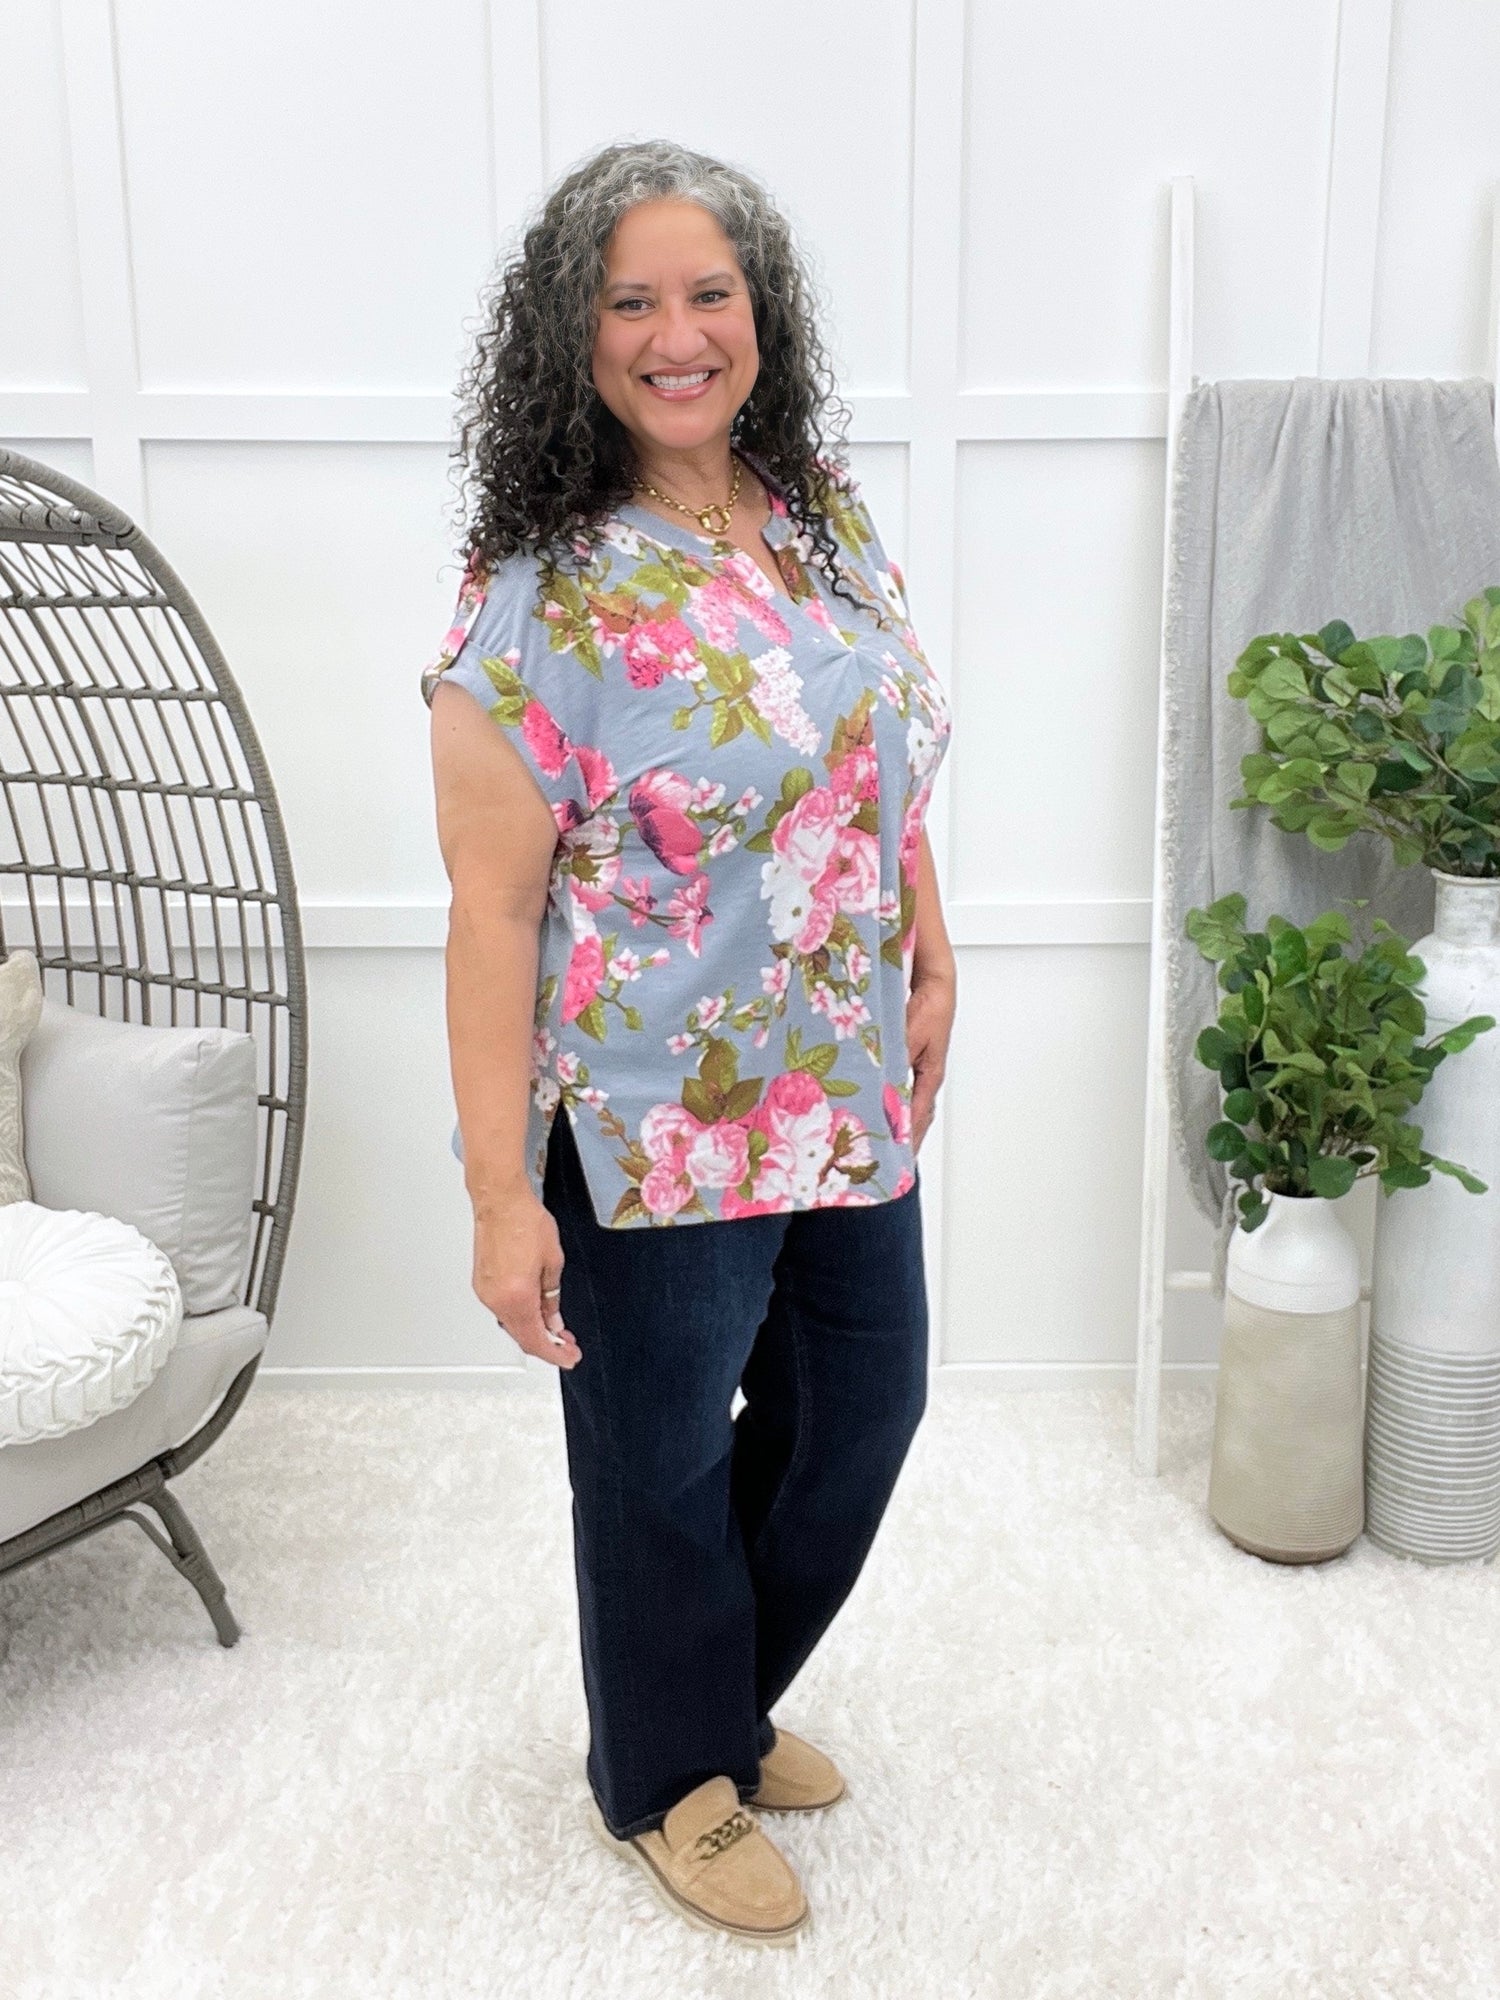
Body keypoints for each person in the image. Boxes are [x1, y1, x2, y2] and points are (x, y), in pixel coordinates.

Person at [423, 138, 956, 1948]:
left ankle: (705, 1700)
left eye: (709, 293)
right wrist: (500, 1195)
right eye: (632, 301)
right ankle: (666, 1775)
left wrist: (932, 942)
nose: (678, 334)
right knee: (650, 1467)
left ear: (760, 315)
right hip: (651, 1120)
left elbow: (880, 752)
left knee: (861, 1410)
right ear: (571, 340)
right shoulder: (540, 598)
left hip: (843, 1085)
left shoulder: (818, 517)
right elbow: (490, 913)